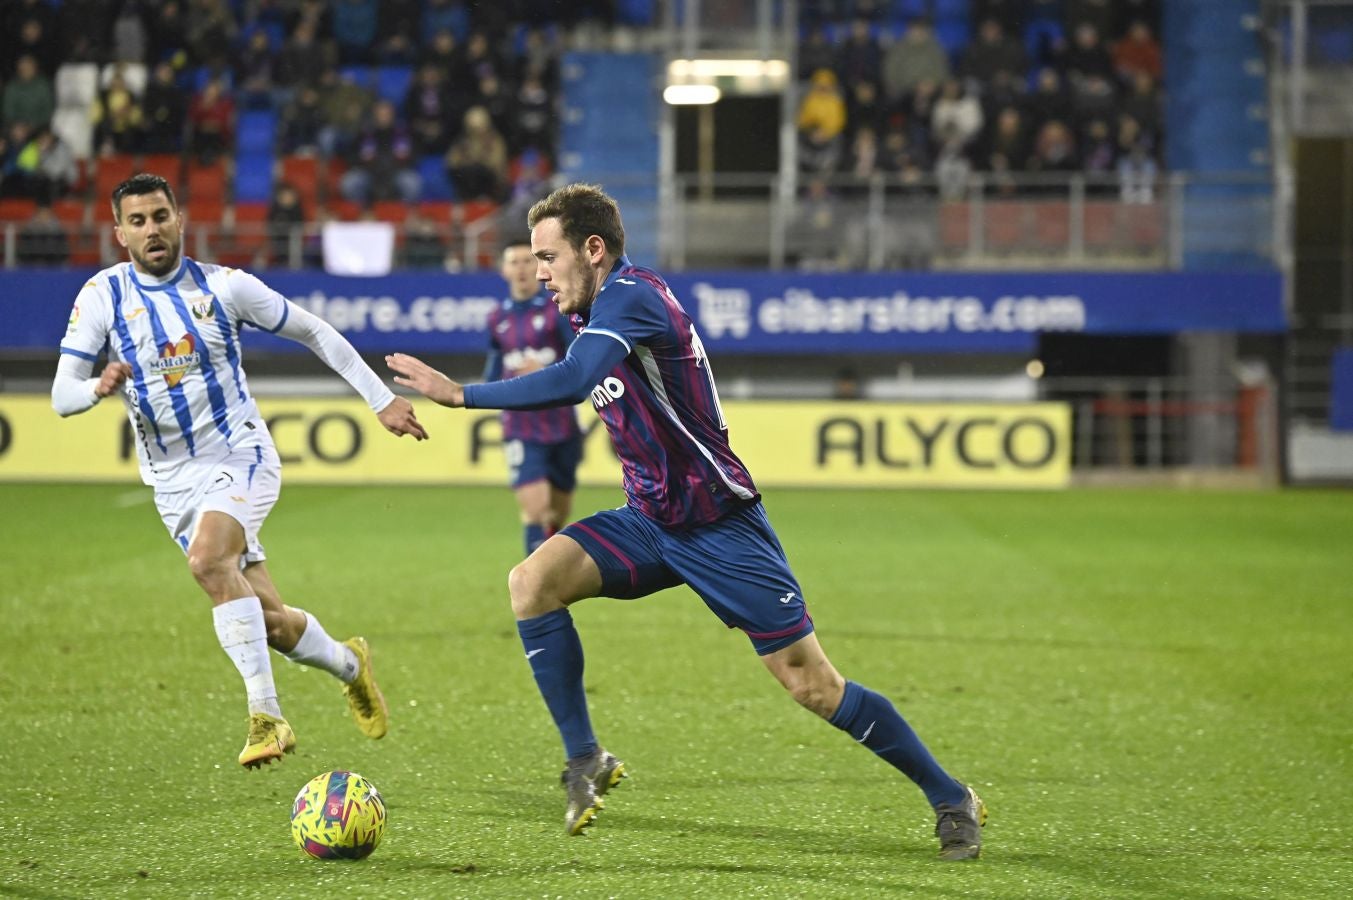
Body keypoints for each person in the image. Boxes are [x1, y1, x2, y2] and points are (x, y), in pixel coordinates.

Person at [386, 183, 987, 860]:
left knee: (813, 686)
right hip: (648, 520)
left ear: (593, 249)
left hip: (718, 527)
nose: (541, 273)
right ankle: (584, 757)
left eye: (548, 257)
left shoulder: (631, 297)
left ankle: (948, 796)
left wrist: (459, 394)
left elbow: (573, 380)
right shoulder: (591, 309)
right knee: (532, 582)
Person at [52, 173, 429, 769]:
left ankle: (267, 716)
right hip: (171, 483)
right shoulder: (102, 296)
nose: (152, 229)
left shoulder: (226, 288)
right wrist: (95, 389)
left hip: (240, 455)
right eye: (138, 221)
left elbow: (313, 330)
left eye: (160, 216)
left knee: (207, 561)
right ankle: (351, 665)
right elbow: (60, 394)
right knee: (271, 622)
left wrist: (378, 398)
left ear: (180, 219)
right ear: (120, 233)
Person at [485, 239, 583, 556]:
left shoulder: (557, 309)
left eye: (528, 261)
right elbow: (493, 371)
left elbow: (579, 356)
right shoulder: (497, 318)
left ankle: (551, 569)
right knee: (536, 511)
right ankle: (535, 584)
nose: (522, 268)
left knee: (557, 513)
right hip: (521, 426)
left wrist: (546, 368)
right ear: (504, 270)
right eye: (514, 262)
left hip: (562, 424)